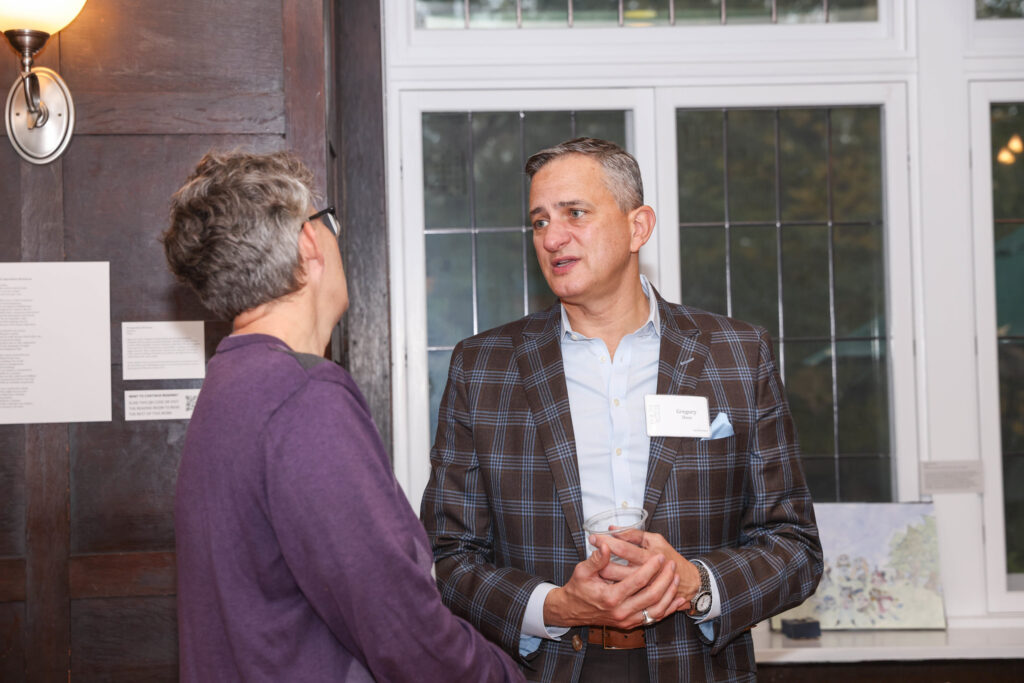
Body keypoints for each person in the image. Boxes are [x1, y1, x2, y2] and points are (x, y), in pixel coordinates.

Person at [422, 138, 822, 682]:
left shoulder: (736, 355)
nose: (552, 237)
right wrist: (556, 606)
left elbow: (794, 548)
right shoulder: (484, 367)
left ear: (638, 227)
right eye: (539, 222)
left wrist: (696, 584)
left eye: (575, 214)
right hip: (545, 668)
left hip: (698, 665)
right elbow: (447, 556)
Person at [163, 150, 524, 682]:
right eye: (327, 222)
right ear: (309, 242)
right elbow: (401, 629)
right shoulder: (304, 398)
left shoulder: (231, 382)